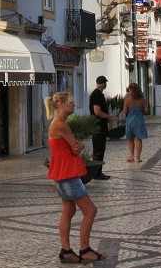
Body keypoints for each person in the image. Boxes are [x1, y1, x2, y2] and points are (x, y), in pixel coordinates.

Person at [46, 91, 106, 264]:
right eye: (71, 102)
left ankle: (66, 251)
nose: (73, 104)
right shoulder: (60, 125)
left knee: (69, 211)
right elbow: (76, 147)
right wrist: (79, 145)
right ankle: (85, 249)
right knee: (90, 211)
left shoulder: (59, 123)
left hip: (62, 173)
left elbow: (73, 146)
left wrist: (77, 145)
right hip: (68, 174)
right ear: (62, 104)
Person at [88, 76, 118, 180]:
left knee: (100, 149)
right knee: (98, 150)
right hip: (98, 127)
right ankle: (96, 173)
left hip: (100, 126)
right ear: (104, 84)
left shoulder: (98, 94)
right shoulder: (96, 95)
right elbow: (97, 111)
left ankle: (98, 172)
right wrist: (110, 117)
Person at [122, 82, 149, 162]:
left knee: (130, 139)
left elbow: (125, 111)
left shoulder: (127, 100)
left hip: (130, 120)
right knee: (139, 139)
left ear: (130, 89)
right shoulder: (143, 100)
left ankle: (131, 156)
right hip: (139, 120)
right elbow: (146, 110)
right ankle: (138, 157)